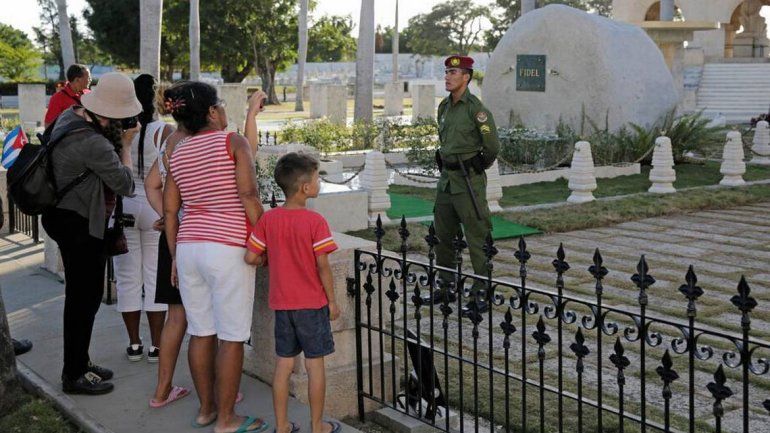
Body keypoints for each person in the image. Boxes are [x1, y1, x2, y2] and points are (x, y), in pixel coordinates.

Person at [147, 84, 266, 408]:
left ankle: (206, 410)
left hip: (188, 249)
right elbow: (248, 196)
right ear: (212, 112)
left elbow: (171, 210)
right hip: (226, 248)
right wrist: (264, 239)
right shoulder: (233, 142)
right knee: (231, 337)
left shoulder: (179, 150)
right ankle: (227, 418)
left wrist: (174, 256)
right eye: (222, 105)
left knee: (200, 332)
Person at [41, 72, 140, 395]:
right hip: (79, 224)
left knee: (83, 297)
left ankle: (80, 362)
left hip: (61, 215)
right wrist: (125, 145)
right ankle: (73, 374)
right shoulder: (94, 142)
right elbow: (125, 183)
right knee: (83, 300)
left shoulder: (70, 117)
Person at [245, 152, 341, 433]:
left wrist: (267, 259)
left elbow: (251, 258)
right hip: (312, 305)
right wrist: (333, 301)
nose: (318, 183)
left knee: (283, 366)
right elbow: (323, 266)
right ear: (305, 188)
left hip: (282, 305)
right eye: (317, 178)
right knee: (315, 367)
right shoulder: (315, 222)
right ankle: (316, 425)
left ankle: (283, 425)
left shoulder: (269, 220)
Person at [430, 55, 500, 316]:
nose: (448, 76)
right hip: (447, 181)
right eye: (447, 71)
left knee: (476, 237)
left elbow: (492, 147)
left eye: (454, 72)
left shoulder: (477, 110)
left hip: (468, 181)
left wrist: (475, 166)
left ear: (467, 77)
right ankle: (446, 287)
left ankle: (482, 291)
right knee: (442, 236)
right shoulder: (444, 108)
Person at [112, 74, 172, 363]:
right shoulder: (164, 131)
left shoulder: (119, 128)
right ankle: (156, 346)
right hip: (154, 205)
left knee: (127, 279)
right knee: (154, 276)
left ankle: (134, 344)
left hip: (124, 205)